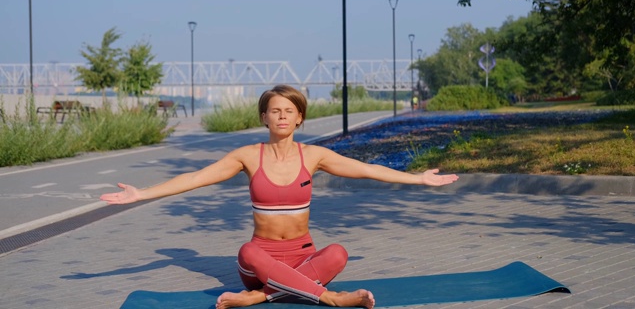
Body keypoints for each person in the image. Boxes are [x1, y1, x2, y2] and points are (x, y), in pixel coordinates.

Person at [100, 85, 459, 309]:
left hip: (302, 255)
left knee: (337, 253)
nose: (282, 116)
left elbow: (365, 169)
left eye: (289, 110)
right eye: (275, 110)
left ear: (299, 117)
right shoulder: (247, 156)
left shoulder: (314, 156)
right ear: (265, 117)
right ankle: (331, 299)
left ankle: (262, 297)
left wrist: (417, 179)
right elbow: (196, 178)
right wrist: (140, 194)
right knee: (247, 252)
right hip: (261, 262)